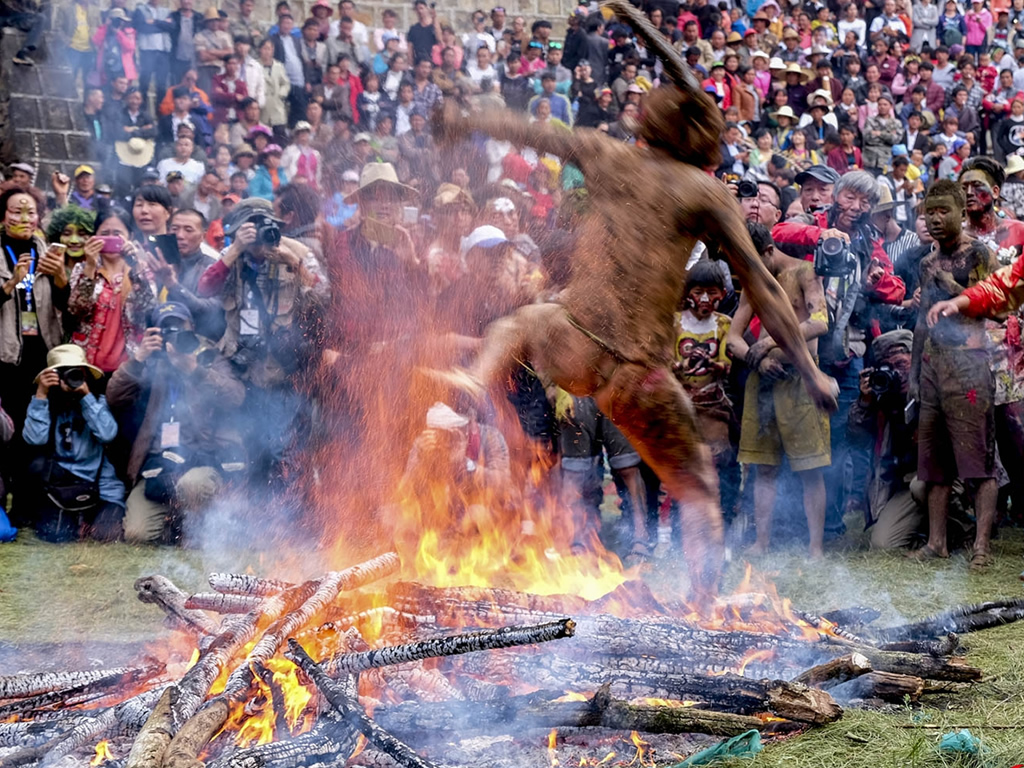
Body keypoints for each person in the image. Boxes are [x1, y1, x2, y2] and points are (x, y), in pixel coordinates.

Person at [431, 1, 837, 603]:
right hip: (636, 374)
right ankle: (703, 606)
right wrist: (811, 370)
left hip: (570, 340)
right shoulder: (704, 190)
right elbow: (763, 287)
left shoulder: (606, 153)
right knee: (697, 488)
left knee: (521, 321)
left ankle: (472, 383)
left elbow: (530, 130)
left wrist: (466, 121)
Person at [910, 180, 999, 570]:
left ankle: (981, 546)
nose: (934, 218)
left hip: (969, 365)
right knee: (934, 462)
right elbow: (919, 322)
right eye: (930, 211)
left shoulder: (979, 253)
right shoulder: (925, 261)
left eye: (943, 210)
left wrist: (953, 287)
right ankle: (937, 543)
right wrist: (913, 373)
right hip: (933, 365)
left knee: (978, 460)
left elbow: (996, 308)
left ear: (963, 213)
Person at [728, 222, 831, 557]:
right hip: (764, 382)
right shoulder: (751, 282)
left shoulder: (805, 272)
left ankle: (815, 547)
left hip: (801, 379)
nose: (750, 267)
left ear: (769, 251)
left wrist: (773, 340)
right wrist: (757, 361)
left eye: (755, 259)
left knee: (810, 469)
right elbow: (732, 339)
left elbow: (819, 322)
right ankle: (761, 543)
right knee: (764, 468)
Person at [107, 301, 245, 544]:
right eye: (166, 329)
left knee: (192, 485)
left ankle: (194, 526)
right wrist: (138, 359)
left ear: (191, 326)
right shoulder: (150, 361)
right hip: (159, 462)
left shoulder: (208, 355)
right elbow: (114, 398)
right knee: (137, 534)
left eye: (179, 327)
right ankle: (175, 523)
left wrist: (195, 370)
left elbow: (235, 397)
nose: (174, 335)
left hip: (203, 457)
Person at [23, 344, 124, 542]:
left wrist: (85, 396)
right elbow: (35, 439)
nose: (69, 378)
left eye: (76, 371)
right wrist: (41, 394)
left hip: (101, 486)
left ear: (85, 373)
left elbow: (108, 434)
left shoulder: (96, 401)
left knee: (106, 535)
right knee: (56, 536)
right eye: (63, 372)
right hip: (61, 487)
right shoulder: (44, 404)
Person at [672, 259, 738, 526]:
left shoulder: (723, 324)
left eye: (712, 292)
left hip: (713, 404)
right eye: (699, 291)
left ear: (722, 294)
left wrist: (713, 364)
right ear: (688, 292)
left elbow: (727, 366)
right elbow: (665, 363)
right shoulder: (675, 322)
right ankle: (679, 525)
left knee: (717, 462)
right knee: (681, 465)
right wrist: (682, 365)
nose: (705, 299)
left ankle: (719, 521)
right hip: (680, 405)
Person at [848, 329, 925, 549]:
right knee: (883, 545)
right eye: (888, 367)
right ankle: (922, 530)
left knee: (921, 487)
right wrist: (865, 402)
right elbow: (857, 441)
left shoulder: (932, 382)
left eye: (900, 364)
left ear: (915, 358)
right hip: (904, 482)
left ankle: (960, 529)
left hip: (942, 477)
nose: (896, 373)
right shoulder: (882, 395)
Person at [0, 184, 67, 436]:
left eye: (31, 213)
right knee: (10, 424)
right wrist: (9, 284)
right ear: (3, 214)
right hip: (6, 356)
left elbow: (66, 305)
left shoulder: (46, 251)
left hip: (41, 352)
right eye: (16, 212)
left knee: (41, 424)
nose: (24, 219)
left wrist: (60, 276)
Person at [67, 208, 155, 375]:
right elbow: (76, 311)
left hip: (128, 366)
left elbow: (147, 307)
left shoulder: (141, 269)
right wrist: (90, 268)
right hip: (85, 364)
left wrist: (135, 266)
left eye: (117, 234)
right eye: (105, 233)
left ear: (130, 236)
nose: (111, 239)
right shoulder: (82, 268)